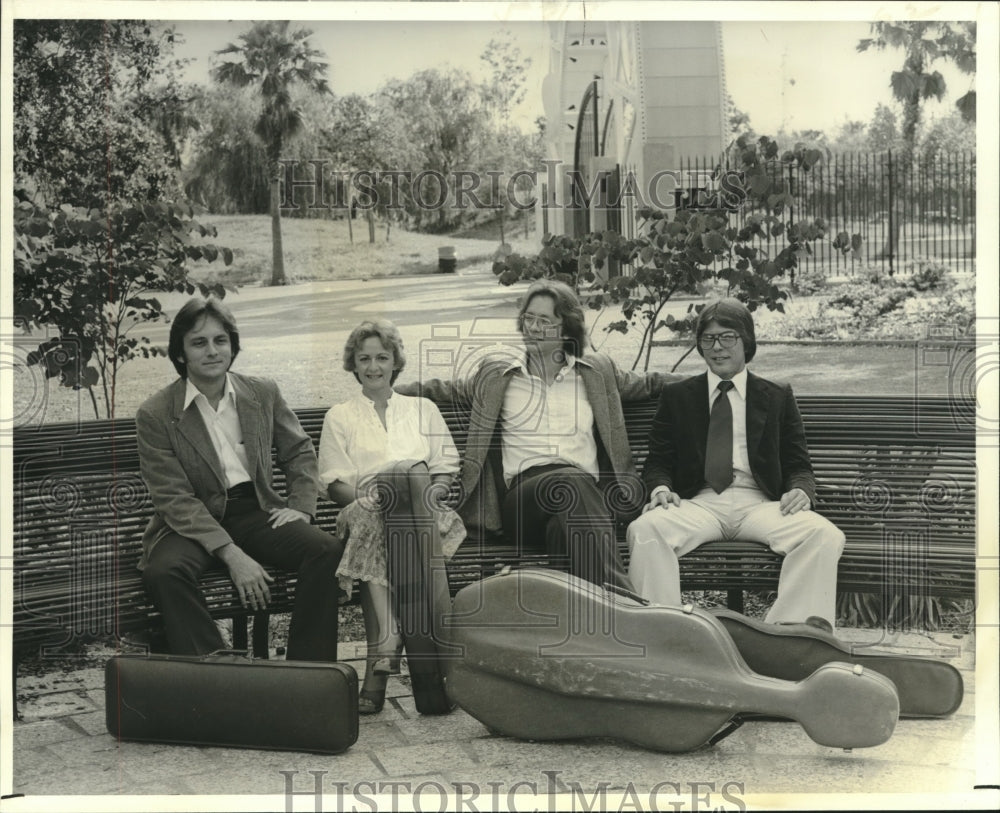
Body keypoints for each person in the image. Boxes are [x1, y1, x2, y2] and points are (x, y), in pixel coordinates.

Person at [397, 279, 680, 592]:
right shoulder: (498, 375)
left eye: (543, 320)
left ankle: (580, 626)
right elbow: (443, 390)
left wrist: (716, 378)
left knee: (564, 528)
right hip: (523, 503)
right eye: (528, 319)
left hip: (587, 505)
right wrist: (385, 389)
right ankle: (625, 601)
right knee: (571, 483)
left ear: (567, 328)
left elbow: (652, 384)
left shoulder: (596, 372)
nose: (532, 327)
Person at [136, 296, 343, 661]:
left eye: (220, 340)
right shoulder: (156, 413)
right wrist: (233, 555)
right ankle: (221, 676)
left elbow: (298, 451)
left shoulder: (261, 393)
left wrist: (301, 509)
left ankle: (309, 674)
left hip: (255, 510)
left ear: (232, 346)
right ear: (181, 353)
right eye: (198, 342)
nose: (212, 351)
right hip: (191, 522)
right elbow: (173, 498)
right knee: (164, 571)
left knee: (324, 550)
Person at [626, 298, 846, 627]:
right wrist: (660, 488)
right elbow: (659, 460)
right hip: (699, 503)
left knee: (823, 535)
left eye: (728, 337)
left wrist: (801, 489)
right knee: (645, 530)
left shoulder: (776, 395)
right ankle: (664, 634)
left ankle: (788, 637)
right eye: (708, 339)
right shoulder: (679, 396)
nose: (718, 347)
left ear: (747, 341)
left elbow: (798, 463)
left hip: (760, 503)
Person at [318, 319, 465, 714]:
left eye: (382, 357)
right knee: (373, 520)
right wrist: (368, 499)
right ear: (353, 364)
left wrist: (426, 497)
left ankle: (382, 656)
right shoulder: (340, 416)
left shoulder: (423, 409)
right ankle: (387, 645)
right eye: (364, 358)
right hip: (364, 510)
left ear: (395, 361)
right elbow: (333, 482)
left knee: (395, 525)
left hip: (423, 515)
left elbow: (445, 469)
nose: (373, 366)